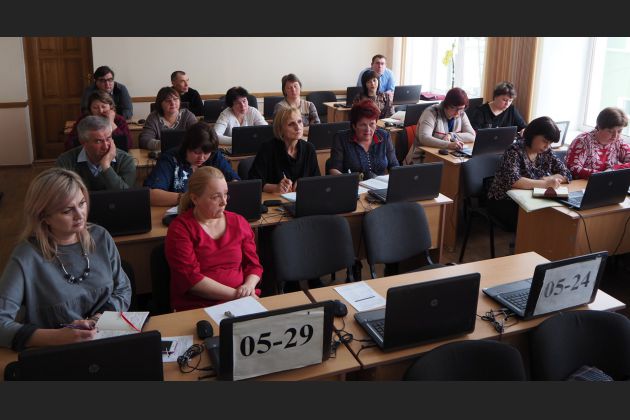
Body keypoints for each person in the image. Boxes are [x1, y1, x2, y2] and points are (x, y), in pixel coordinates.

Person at [0, 168, 131, 350]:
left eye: (82, 203)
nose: (80, 215)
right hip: (56, 351)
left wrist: (98, 319)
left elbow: (122, 288)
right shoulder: (26, 256)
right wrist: (58, 337)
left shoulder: (100, 236)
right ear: (44, 217)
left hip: (106, 338)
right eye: (67, 210)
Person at [165, 166, 263, 312]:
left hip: (244, 300)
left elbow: (253, 266)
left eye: (226, 194)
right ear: (195, 199)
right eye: (216, 197)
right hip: (199, 307)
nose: (224, 202)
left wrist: (249, 286)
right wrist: (238, 296)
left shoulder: (239, 221)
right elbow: (191, 280)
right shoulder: (180, 229)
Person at [487, 116, 572, 231]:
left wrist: (548, 179)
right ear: (532, 135)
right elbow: (514, 181)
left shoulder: (546, 152)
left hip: (531, 198)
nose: (547, 146)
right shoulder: (514, 150)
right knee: (541, 220)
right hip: (505, 201)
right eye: (545, 141)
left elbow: (566, 173)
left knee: (558, 215)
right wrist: (545, 184)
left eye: (550, 143)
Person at [144, 121, 239, 206]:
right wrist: (190, 199)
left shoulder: (214, 156)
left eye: (206, 153)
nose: (201, 158)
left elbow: (236, 183)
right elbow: (152, 195)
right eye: (196, 152)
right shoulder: (170, 159)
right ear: (186, 147)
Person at [248, 106, 320, 193]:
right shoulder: (267, 148)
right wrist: (275, 188)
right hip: (274, 199)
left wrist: (305, 183)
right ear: (280, 129)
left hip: (303, 197)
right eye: (291, 124)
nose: (298, 127)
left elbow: (317, 180)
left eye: (299, 121)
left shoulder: (309, 148)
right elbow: (253, 181)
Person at [56, 115, 136, 191]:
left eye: (108, 138)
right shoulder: (65, 161)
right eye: (98, 141)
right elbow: (63, 195)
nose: (105, 146)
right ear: (83, 142)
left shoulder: (126, 160)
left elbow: (125, 195)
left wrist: (106, 166)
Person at [404, 87, 476, 164]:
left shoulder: (461, 114)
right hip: (421, 159)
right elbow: (424, 138)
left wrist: (451, 135)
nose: (457, 113)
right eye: (454, 108)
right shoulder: (431, 112)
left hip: (447, 158)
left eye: (461, 108)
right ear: (446, 104)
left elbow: (472, 136)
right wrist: (449, 145)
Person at [329, 99, 398, 177]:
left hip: (381, 184)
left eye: (372, 124)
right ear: (354, 126)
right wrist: (349, 181)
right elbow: (334, 170)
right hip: (353, 184)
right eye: (363, 125)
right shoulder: (341, 138)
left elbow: (394, 165)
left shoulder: (384, 136)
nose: (368, 129)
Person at [566, 107, 630, 179]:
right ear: (599, 127)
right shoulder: (582, 141)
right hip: (583, 183)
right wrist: (603, 175)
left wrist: (613, 170)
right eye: (610, 131)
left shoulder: (619, 142)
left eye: (619, 131)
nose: (615, 136)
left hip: (608, 182)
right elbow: (572, 168)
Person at [66, 90, 132, 151]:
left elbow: (128, 145)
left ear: (110, 106)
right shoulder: (84, 119)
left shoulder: (119, 120)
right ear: (90, 109)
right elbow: (69, 143)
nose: (100, 111)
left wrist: (111, 122)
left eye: (104, 107)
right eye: (95, 108)